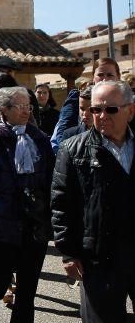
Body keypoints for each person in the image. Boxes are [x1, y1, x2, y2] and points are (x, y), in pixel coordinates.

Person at [0, 87, 54, 323]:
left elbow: (51, 177)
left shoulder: (40, 139)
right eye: (20, 106)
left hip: (34, 223)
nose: (26, 111)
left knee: (27, 288)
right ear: (4, 110)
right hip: (0, 221)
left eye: (29, 107)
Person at [51, 80, 135, 323]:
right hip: (97, 257)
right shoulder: (72, 149)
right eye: (95, 109)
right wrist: (67, 253)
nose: (100, 116)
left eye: (110, 109)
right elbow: (61, 203)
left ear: (130, 111)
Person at [51, 58, 120, 154]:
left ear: (118, 77)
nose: (104, 79)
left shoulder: (126, 101)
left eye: (110, 75)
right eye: (100, 75)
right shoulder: (78, 98)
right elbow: (63, 133)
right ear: (93, 77)